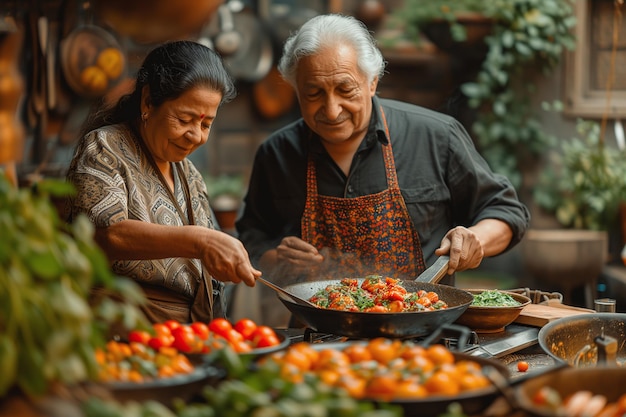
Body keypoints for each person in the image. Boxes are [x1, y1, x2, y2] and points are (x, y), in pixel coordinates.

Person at [235, 14, 530, 326]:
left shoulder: (435, 136)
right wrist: (276, 258)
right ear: (296, 90)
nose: (332, 110)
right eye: (314, 93)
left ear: (372, 82)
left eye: (345, 89)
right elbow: (253, 237)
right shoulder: (277, 153)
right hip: (317, 333)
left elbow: (505, 210)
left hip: (426, 332)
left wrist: (474, 239)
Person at [65, 40, 261, 324]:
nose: (195, 136)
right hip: (126, 329)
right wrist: (200, 241)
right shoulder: (105, 148)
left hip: (190, 334)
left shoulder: (189, 174)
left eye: (205, 125)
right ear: (148, 102)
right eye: (184, 119)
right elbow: (107, 235)